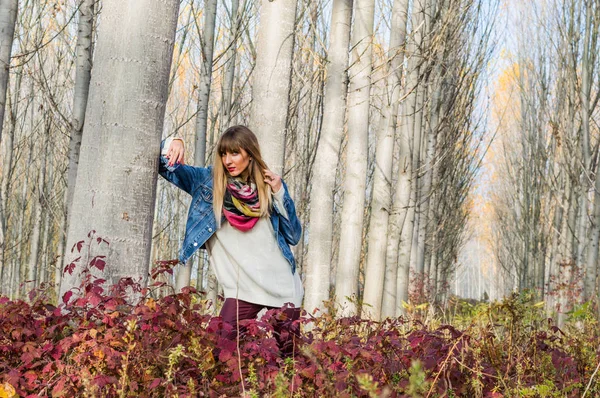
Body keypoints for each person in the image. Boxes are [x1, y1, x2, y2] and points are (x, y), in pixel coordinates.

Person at [158, 125, 304, 357]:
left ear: (250, 153)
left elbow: (294, 236)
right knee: (220, 356)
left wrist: (279, 192)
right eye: (223, 154)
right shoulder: (206, 181)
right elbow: (163, 166)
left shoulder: (269, 186)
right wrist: (173, 142)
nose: (228, 160)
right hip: (242, 289)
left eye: (234, 153)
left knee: (289, 361)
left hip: (282, 287)